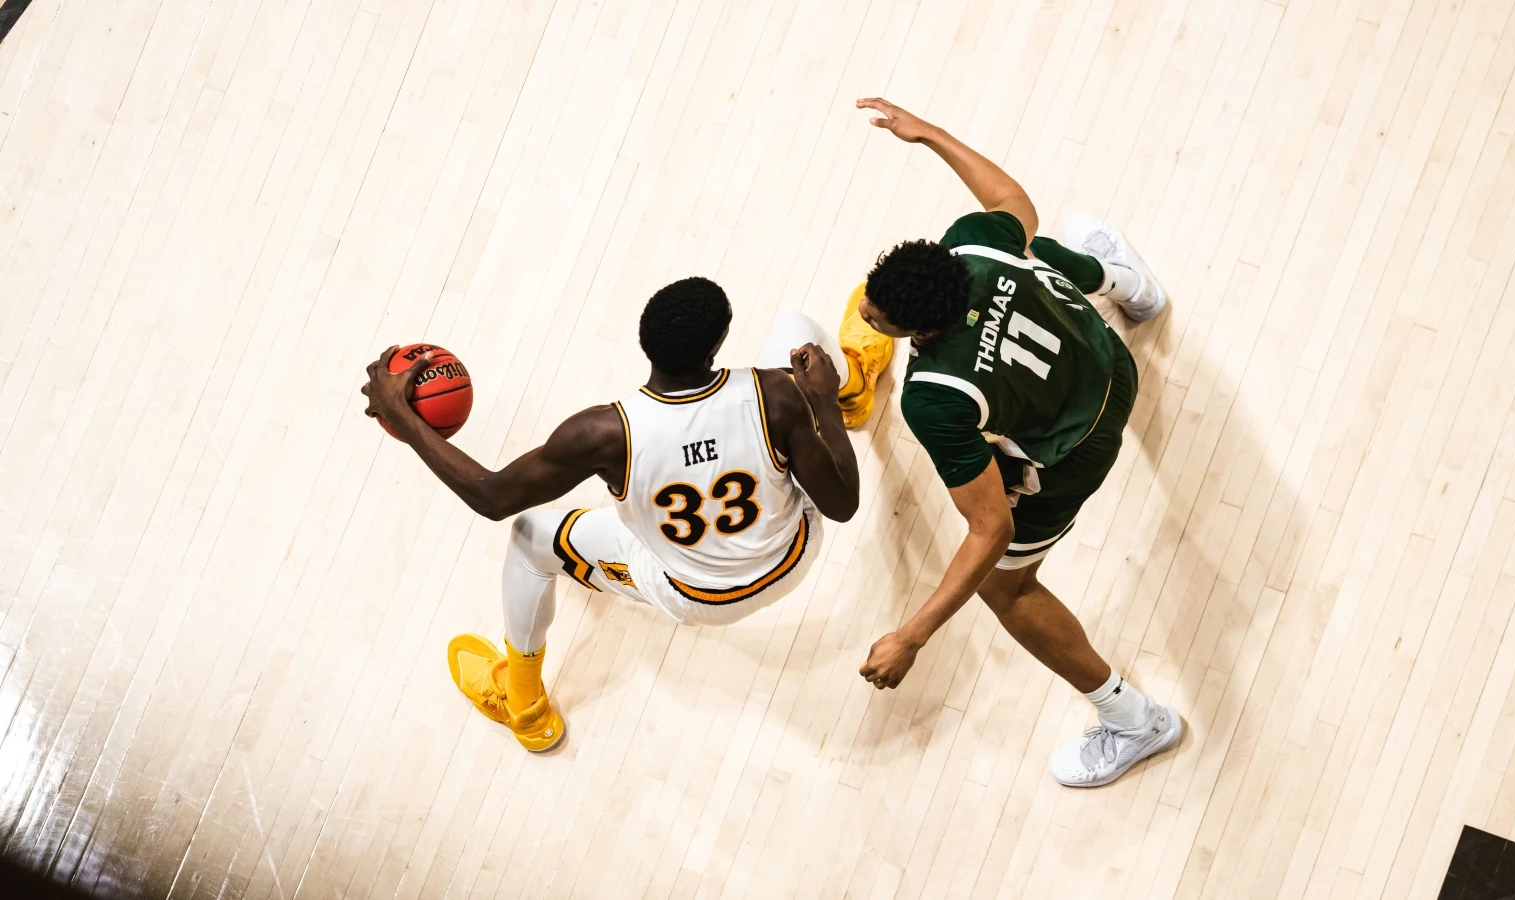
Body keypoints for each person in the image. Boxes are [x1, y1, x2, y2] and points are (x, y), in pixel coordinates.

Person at [361, 277, 861, 751]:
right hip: (793, 555)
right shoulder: (776, 394)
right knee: (798, 331)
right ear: (718, 344)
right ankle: (850, 393)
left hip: (699, 596)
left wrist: (401, 413)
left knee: (532, 535)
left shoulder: (603, 434)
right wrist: (824, 404)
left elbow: (491, 496)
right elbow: (842, 505)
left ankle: (526, 708)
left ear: (645, 344)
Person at [847, 98, 1181, 788]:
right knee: (1034, 252)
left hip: (1080, 446)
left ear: (918, 333)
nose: (863, 313)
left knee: (1006, 588)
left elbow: (990, 528)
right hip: (1111, 364)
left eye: (875, 316)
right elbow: (1012, 199)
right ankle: (1131, 287)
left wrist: (912, 635)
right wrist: (930, 133)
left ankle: (1132, 719)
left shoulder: (934, 397)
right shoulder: (971, 247)